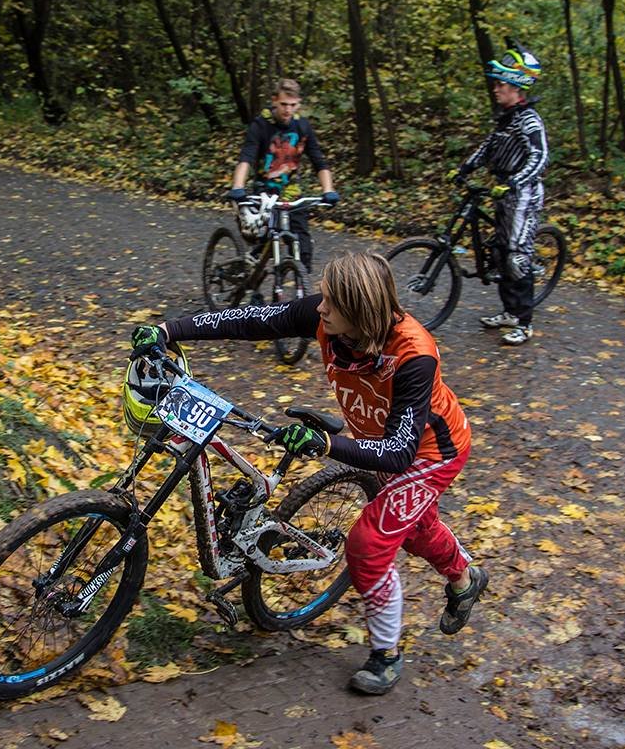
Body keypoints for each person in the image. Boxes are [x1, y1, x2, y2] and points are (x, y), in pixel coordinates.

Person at [129, 252, 484, 696]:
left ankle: (386, 654)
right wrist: (168, 330)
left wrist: (326, 444)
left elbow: (398, 452)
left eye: (332, 303)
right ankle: (465, 577)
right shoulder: (327, 317)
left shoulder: (414, 354)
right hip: (375, 440)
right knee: (412, 530)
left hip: (429, 455)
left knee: (370, 544)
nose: (320, 307)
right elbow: (249, 320)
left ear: (359, 310)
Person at [450, 44, 549, 346]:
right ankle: (509, 311)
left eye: (501, 85)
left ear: (517, 89)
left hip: (523, 194)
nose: (496, 89)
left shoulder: (530, 120)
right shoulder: (506, 118)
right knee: (499, 252)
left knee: (517, 257)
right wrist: (464, 169)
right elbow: (487, 148)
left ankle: (525, 322)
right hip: (502, 191)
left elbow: (541, 156)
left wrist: (516, 182)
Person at [228, 78, 340, 272]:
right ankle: (250, 279)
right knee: (263, 239)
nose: (288, 110)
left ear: (299, 104)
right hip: (264, 191)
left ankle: (301, 288)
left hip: (291, 191)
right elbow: (246, 157)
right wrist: (238, 187)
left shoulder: (302, 126)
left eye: (292, 105)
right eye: (283, 105)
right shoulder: (261, 125)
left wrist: (328, 190)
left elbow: (319, 161)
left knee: (303, 243)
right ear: (274, 101)